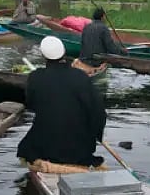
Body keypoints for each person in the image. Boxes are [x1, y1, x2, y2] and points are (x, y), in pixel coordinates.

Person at [17, 36, 108, 170]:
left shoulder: (35, 77)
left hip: (45, 147)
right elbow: (99, 113)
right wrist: (96, 135)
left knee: (25, 149)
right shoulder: (81, 76)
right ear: (64, 52)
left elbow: (31, 105)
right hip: (80, 150)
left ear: (43, 55)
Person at [77, 7, 125, 73]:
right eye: (105, 16)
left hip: (83, 60)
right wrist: (121, 52)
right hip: (96, 61)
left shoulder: (86, 27)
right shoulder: (103, 28)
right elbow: (110, 46)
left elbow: (82, 44)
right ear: (102, 17)